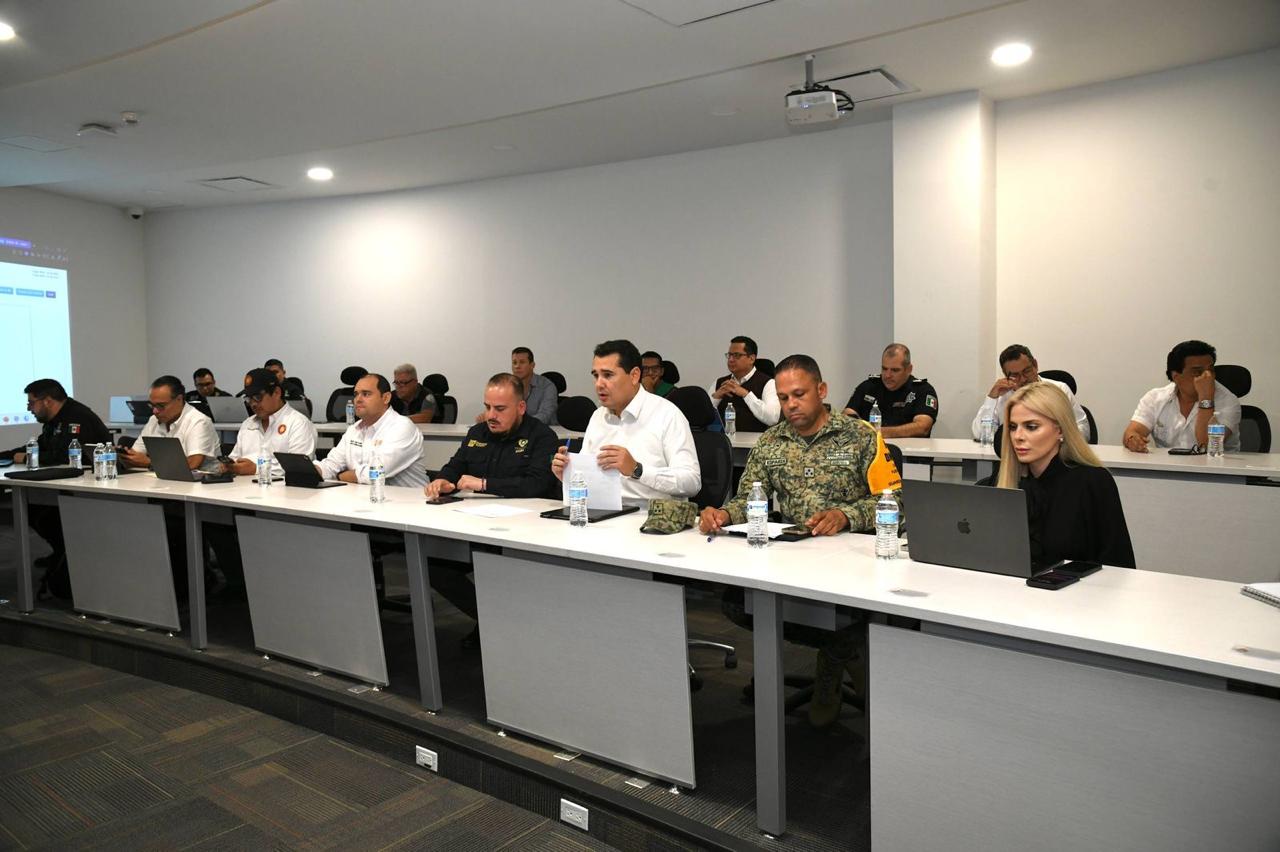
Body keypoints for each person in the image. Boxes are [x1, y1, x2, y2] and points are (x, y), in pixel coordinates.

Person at [699, 354, 901, 728]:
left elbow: (894, 502)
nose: (791, 404)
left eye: (799, 394)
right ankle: (841, 649)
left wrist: (846, 515)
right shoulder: (772, 442)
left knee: (844, 614)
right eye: (783, 397)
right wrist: (725, 514)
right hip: (793, 556)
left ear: (821, 390)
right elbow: (750, 498)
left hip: (851, 560)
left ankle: (833, 662)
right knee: (736, 603)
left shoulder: (860, 436)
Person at [425, 373, 559, 648]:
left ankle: (504, 625)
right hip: (478, 523)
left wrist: (484, 484)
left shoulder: (542, 436)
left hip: (526, 528)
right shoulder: (477, 433)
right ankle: (490, 619)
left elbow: (538, 484)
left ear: (520, 407)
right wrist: (443, 480)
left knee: (500, 569)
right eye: (487, 407)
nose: (491, 415)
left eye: (500, 409)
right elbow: (455, 465)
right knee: (434, 567)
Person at [997, 382, 1136, 568]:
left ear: (1060, 430)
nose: (1018, 436)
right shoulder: (1011, 483)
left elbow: (1119, 562)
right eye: (1013, 427)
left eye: (1031, 426)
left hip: (1084, 586)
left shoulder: (1093, 482)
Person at [551, 339, 700, 503]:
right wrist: (568, 475)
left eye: (608, 375)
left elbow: (692, 482)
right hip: (602, 511)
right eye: (596, 375)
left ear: (634, 375)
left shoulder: (667, 414)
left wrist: (637, 470)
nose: (599, 384)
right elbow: (589, 480)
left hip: (650, 514)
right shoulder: (598, 416)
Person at [2, 379, 113, 594]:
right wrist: (5, 455)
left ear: (47, 401)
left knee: (42, 512)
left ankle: (69, 554)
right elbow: (40, 447)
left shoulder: (77, 417)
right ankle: (62, 550)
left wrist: (25, 456)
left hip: (91, 489)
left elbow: (66, 456)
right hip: (68, 484)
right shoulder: (54, 420)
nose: (29, 408)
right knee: (32, 508)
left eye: (31, 402)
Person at [1122, 340, 1241, 453]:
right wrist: (1133, 439)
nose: (1208, 376)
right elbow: (1132, 432)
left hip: (1216, 466)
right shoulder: (1155, 398)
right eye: (1197, 372)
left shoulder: (1228, 401)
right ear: (1176, 377)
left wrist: (1205, 398)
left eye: (1211, 370)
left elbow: (1207, 446)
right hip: (1168, 466)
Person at [315, 373, 427, 487]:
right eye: (356, 394)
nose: (358, 399)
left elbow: (375, 473)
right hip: (364, 495)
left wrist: (340, 476)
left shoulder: (402, 427)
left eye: (366, 394)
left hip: (408, 497)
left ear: (386, 398)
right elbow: (331, 465)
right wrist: (313, 470)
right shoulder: (354, 429)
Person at [971, 344, 1088, 441]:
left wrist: (1056, 441)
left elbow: (1083, 429)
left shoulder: (1060, 389)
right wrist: (991, 399)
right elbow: (980, 434)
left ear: (1035, 365)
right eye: (1015, 375)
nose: (1023, 379)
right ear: (1006, 375)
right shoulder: (1002, 397)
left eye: (1026, 371)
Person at [225, 369, 319, 477]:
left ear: (277, 393)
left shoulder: (298, 423)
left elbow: (298, 468)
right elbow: (235, 458)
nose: (253, 404)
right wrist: (228, 466)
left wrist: (257, 469)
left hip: (284, 487)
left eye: (257, 397)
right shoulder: (247, 424)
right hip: (243, 486)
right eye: (249, 398)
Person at [121, 375, 221, 471]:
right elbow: (136, 454)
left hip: (199, 481)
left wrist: (150, 463)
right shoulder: (154, 420)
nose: (155, 411)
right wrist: (125, 455)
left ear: (179, 399)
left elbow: (192, 464)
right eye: (152, 405)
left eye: (161, 405)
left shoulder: (198, 421)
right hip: (162, 478)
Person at [842, 343, 938, 437]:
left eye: (895, 370)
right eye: (884, 369)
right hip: (870, 447)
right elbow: (847, 415)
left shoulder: (923, 390)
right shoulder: (868, 387)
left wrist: (878, 432)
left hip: (907, 448)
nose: (887, 375)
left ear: (909, 369)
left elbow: (923, 427)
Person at [708, 335, 779, 431]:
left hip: (756, 440)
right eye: (729, 355)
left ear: (752, 359)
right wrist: (716, 397)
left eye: (737, 355)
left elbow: (772, 419)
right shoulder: (719, 382)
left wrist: (746, 394)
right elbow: (702, 418)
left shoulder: (768, 383)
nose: (731, 359)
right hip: (723, 439)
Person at [510, 347, 558, 425]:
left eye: (522, 362)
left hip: (544, 429)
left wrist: (519, 424)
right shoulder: (508, 386)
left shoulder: (547, 386)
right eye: (514, 363)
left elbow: (544, 416)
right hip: (516, 429)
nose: (517, 366)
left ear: (532, 365)